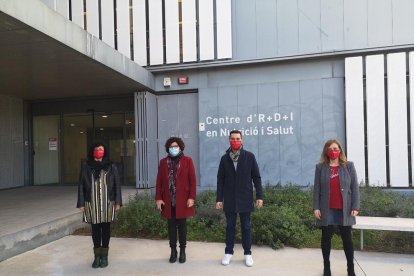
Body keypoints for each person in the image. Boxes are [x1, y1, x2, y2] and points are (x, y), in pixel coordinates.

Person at [215, 130, 263, 267]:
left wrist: (259, 195)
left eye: (237, 138)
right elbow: (220, 180)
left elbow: (256, 177)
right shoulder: (225, 159)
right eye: (232, 139)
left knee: (246, 226)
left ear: (242, 140)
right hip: (230, 198)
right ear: (229, 140)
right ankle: (228, 252)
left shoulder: (249, 156)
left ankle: (248, 254)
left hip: (245, 197)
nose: (235, 141)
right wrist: (219, 198)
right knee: (230, 226)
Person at [313, 139, 360, 276]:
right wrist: (316, 207)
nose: (334, 151)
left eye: (336, 148)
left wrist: (355, 206)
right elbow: (317, 189)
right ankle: (326, 267)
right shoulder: (320, 167)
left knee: (347, 239)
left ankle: (350, 268)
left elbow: (355, 188)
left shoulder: (348, 166)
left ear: (340, 150)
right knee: (326, 239)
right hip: (327, 209)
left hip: (344, 209)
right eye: (331, 148)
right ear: (326, 151)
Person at [77, 141, 122, 268]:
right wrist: (81, 203)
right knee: (95, 230)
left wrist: (118, 202)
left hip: (108, 203)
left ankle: (105, 256)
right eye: (96, 149)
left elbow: (117, 184)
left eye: (101, 149)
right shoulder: (86, 166)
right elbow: (81, 184)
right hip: (92, 203)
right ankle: (97, 257)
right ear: (92, 151)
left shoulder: (111, 166)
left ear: (105, 151)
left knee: (106, 230)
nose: (98, 151)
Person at [155, 137, 196, 264]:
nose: (174, 148)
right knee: (171, 227)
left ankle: (182, 250)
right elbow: (159, 182)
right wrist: (158, 198)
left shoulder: (188, 161)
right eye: (171, 146)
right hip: (168, 200)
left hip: (183, 200)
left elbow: (192, 180)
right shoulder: (163, 162)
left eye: (176, 146)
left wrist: (191, 197)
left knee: (182, 227)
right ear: (168, 148)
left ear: (180, 147)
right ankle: (173, 251)